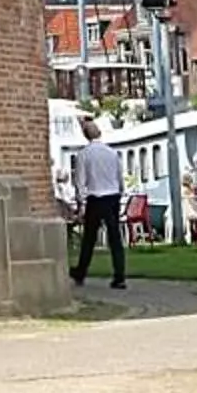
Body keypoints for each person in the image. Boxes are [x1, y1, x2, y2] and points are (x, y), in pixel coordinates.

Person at [70, 114, 127, 289]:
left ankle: (81, 271)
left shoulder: (84, 154)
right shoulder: (112, 153)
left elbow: (80, 181)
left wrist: (81, 203)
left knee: (89, 238)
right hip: (112, 197)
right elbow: (120, 179)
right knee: (115, 237)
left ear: (85, 135)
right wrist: (119, 193)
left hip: (95, 197)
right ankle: (120, 276)